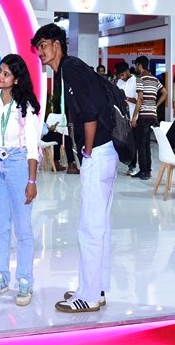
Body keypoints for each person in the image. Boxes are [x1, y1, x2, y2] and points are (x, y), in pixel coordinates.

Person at [31, 23, 118, 313]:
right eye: (38, 47)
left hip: (98, 154)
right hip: (105, 153)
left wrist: (88, 151)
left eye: (44, 45)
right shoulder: (70, 69)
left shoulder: (70, 69)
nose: (40, 52)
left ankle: (89, 295)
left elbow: (90, 111)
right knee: (99, 226)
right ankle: (96, 288)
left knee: (90, 228)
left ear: (57, 45)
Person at [0, 54, 40, 307]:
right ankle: (1, 277)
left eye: (6, 73)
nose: (0, 76)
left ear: (16, 79)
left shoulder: (25, 105)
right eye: (0, 71)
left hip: (18, 163)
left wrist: (32, 181)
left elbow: (32, 146)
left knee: (23, 228)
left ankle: (25, 279)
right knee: (1, 226)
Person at [132, 55, 161, 181]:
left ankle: (143, 171)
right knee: (146, 143)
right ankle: (147, 170)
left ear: (139, 65)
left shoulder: (140, 78)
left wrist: (134, 116)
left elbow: (140, 98)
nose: (135, 67)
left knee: (141, 144)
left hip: (143, 115)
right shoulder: (154, 79)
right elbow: (164, 92)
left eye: (136, 65)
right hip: (152, 115)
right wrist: (155, 105)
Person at [114, 61, 138, 176]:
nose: (121, 77)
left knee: (132, 143)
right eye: (119, 76)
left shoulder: (136, 81)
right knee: (118, 141)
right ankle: (115, 164)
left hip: (133, 117)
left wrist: (126, 98)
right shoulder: (119, 82)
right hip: (120, 117)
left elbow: (139, 100)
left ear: (127, 71)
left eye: (122, 75)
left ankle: (132, 166)